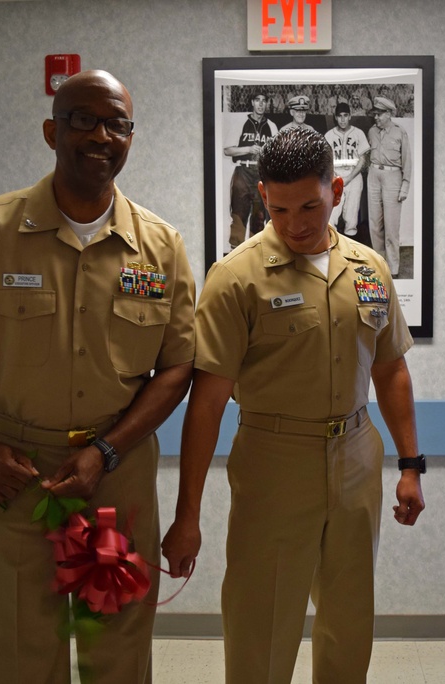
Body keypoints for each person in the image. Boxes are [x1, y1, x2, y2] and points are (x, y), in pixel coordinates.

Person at [0, 70, 195, 684]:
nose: (101, 135)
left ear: (131, 138)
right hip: (17, 475)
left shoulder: (160, 246)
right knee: (23, 646)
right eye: (84, 119)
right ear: (52, 130)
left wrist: (106, 451)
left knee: (118, 645)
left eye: (118, 123)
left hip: (118, 475)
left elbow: (179, 367)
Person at [162, 127, 426, 683]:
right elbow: (206, 403)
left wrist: (410, 464)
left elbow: (390, 369)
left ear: (336, 188)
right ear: (263, 196)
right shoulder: (235, 278)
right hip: (274, 461)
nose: (296, 222)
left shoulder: (370, 270)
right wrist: (187, 515)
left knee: (350, 617)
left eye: (311, 205)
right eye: (279, 209)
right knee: (263, 618)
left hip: (356, 456)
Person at [224, 91, 279, 252]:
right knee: (238, 214)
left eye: (264, 100)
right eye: (257, 100)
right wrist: (248, 148)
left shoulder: (272, 126)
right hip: (243, 169)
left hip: (261, 173)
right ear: (252, 103)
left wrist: (266, 153)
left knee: (259, 216)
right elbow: (227, 150)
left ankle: (255, 255)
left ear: (267, 103)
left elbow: (276, 153)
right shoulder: (241, 122)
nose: (261, 104)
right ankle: (235, 253)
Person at [366, 96, 411, 277]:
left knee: (391, 226)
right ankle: (379, 264)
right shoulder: (371, 132)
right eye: (375, 114)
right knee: (375, 224)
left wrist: (405, 185)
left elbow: (407, 161)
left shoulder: (400, 132)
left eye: (379, 114)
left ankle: (393, 269)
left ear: (389, 114)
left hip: (393, 177)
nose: (376, 117)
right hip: (374, 175)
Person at [324, 102, 371, 237]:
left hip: (354, 177)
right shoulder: (329, 135)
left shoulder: (358, 133)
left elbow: (363, 159)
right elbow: (326, 160)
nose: (343, 119)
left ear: (350, 116)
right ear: (335, 117)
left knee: (351, 218)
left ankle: (349, 252)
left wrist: (349, 178)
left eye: (345, 115)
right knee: (331, 216)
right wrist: (335, 176)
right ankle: (332, 248)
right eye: (339, 116)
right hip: (335, 177)